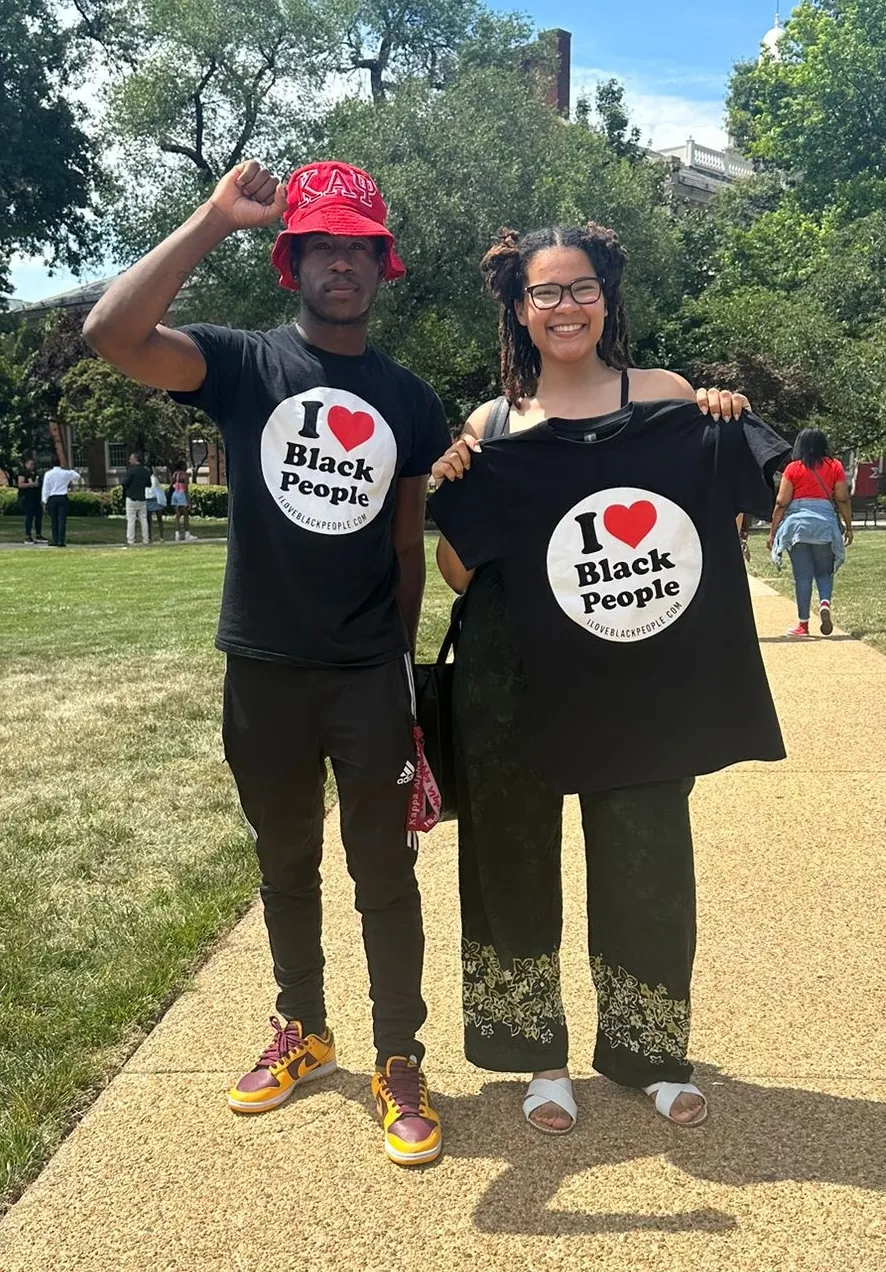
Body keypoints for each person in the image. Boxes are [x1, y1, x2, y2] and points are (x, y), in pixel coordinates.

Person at [83, 158, 451, 1166]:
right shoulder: (245, 366)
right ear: (292, 264)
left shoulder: (409, 402)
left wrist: (403, 676)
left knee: (386, 874)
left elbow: (406, 542)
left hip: (369, 675)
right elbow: (112, 335)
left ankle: (398, 1058)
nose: (342, 264)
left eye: (359, 249)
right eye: (323, 246)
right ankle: (304, 1028)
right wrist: (211, 219)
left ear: (382, 268)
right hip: (264, 671)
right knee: (282, 863)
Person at [429, 222, 790, 1136]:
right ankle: (536, 1058)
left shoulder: (669, 400)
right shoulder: (495, 425)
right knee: (511, 857)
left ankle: (650, 1053)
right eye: (546, 293)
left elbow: (751, 499)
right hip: (514, 679)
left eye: (581, 288)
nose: (565, 307)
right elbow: (459, 573)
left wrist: (723, 423)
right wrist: (458, 475)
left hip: (639, 675)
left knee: (647, 858)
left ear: (607, 296)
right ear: (519, 306)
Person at [767, 427, 853, 637]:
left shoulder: (793, 468)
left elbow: (781, 502)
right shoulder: (835, 466)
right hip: (824, 524)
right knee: (824, 571)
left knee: (803, 576)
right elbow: (842, 498)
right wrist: (849, 526)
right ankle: (824, 602)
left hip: (797, 526)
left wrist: (773, 532)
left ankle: (803, 625)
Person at [41, 457, 81, 547]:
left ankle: (55, 539)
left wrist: (44, 501)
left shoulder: (48, 474)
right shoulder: (65, 473)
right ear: (60, 463)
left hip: (52, 497)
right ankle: (61, 541)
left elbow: (45, 488)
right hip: (62, 497)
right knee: (62, 520)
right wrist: (68, 473)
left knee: (54, 520)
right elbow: (77, 476)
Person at [122, 452, 153, 545]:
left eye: (131, 459)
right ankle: (146, 539)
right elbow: (149, 484)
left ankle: (131, 540)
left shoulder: (130, 471)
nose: (129, 460)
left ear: (136, 459)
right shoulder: (145, 471)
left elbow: (124, 483)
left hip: (131, 498)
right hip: (142, 498)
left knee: (131, 519)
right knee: (143, 519)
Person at [17, 459, 45, 543]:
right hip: (27, 498)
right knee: (29, 517)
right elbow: (20, 484)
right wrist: (31, 484)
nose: (32, 466)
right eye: (30, 464)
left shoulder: (35, 473)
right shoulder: (23, 473)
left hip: (36, 498)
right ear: (26, 464)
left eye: (33, 464)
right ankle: (28, 535)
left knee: (38, 517)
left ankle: (38, 534)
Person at [169, 465, 196, 540]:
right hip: (181, 494)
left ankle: (177, 534)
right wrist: (189, 502)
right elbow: (186, 489)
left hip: (175, 494)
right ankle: (187, 534)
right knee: (186, 515)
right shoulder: (185, 475)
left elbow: (171, 485)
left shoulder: (175, 474)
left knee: (177, 516)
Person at [146, 470, 167, 541]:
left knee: (159, 519)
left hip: (155, 499)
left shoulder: (154, 478)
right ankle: (149, 536)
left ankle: (161, 536)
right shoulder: (147, 478)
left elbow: (153, 488)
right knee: (149, 520)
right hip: (148, 500)